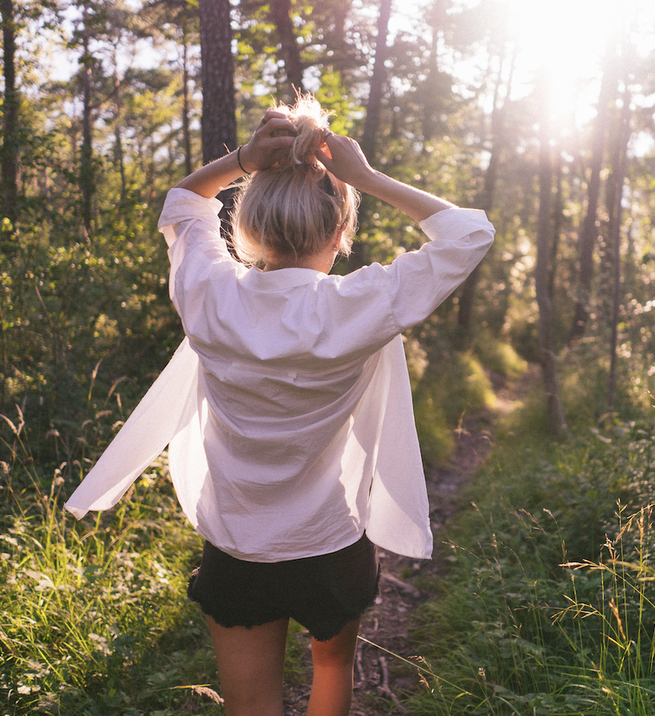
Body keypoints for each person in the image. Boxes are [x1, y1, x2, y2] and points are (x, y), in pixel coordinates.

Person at [64, 94, 495, 716]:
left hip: (238, 544)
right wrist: (366, 177)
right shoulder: (360, 305)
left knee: (250, 706)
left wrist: (241, 159)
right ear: (343, 231)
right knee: (333, 667)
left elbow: (184, 205)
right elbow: (467, 234)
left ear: (245, 227)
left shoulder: (211, 294)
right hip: (330, 540)